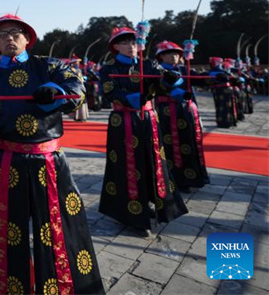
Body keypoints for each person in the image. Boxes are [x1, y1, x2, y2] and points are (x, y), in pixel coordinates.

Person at [0, 14, 103, 294]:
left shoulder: (49, 66)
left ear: (27, 38)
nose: (9, 38)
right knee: (2, 231)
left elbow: (77, 91)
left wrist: (55, 92)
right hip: (2, 162)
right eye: (2, 34)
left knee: (57, 228)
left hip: (46, 161)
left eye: (15, 32)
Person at [98, 27, 187, 235]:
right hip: (124, 121)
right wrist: (130, 98)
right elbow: (110, 92)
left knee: (153, 160)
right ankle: (131, 214)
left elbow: (163, 82)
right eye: (125, 43)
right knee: (127, 164)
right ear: (116, 46)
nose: (131, 46)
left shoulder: (148, 63)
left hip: (149, 119)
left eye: (133, 42)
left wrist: (171, 80)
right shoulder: (108, 67)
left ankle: (158, 203)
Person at [152, 40, 209, 192]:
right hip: (165, 112)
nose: (173, 57)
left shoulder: (185, 69)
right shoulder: (156, 71)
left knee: (187, 142)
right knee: (168, 144)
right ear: (161, 57)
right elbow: (162, 87)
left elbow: (202, 79)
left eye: (176, 54)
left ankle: (188, 178)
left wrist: (215, 77)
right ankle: (171, 178)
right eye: (169, 54)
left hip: (184, 112)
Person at [207, 57, 237, 128]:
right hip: (220, 90)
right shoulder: (215, 72)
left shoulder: (220, 71)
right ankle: (224, 122)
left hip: (224, 90)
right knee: (222, 107)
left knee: (226, 106)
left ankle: (227, 121)